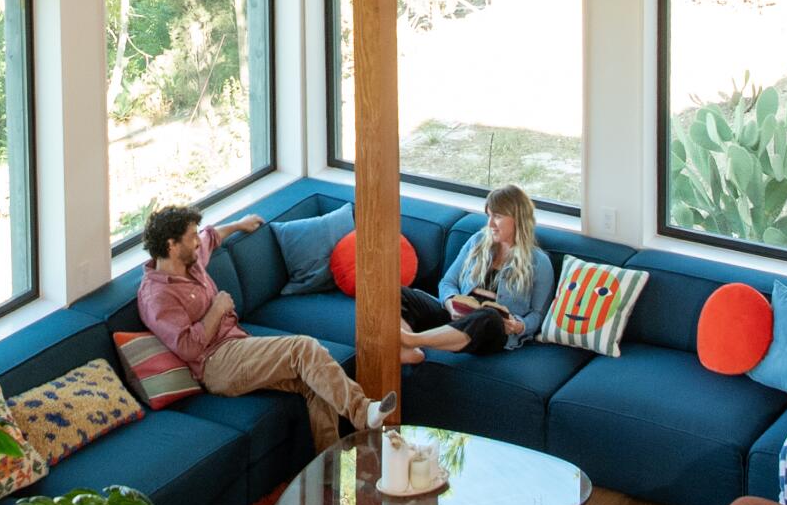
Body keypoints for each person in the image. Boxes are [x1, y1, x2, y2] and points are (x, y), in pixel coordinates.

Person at [138, 205, 396, 450]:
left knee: (315, 382)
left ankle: (328, 471)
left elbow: (211, 236)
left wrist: (240, 225)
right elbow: (188, 347)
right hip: (215, 364)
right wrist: (217, 309)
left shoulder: (189, 261)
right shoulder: (157, 296)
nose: (197, 241)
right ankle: (363, 411)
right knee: (303, 348)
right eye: (190, 236)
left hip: (238, 345)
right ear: (172, 245)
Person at [399, 184, 555, 364]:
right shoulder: (478, 241)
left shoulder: (539, 262)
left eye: (497, 216)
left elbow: (538, 314)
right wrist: (450, 303)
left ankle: (412, 340)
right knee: (399, 293)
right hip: (455, 317)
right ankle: (407, 350)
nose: (490, 224)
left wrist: (520, 326)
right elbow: (448, 282)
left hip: (492, 330)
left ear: (517, 218)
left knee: (489, 316)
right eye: (489, 216)